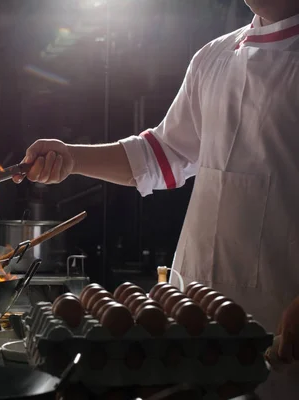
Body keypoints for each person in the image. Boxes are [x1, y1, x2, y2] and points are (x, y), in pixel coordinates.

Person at [15, 0, 299, 398]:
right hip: (192, 323)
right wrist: (73, 157)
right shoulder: (214, 57)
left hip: (283, 315)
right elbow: (163, 154)